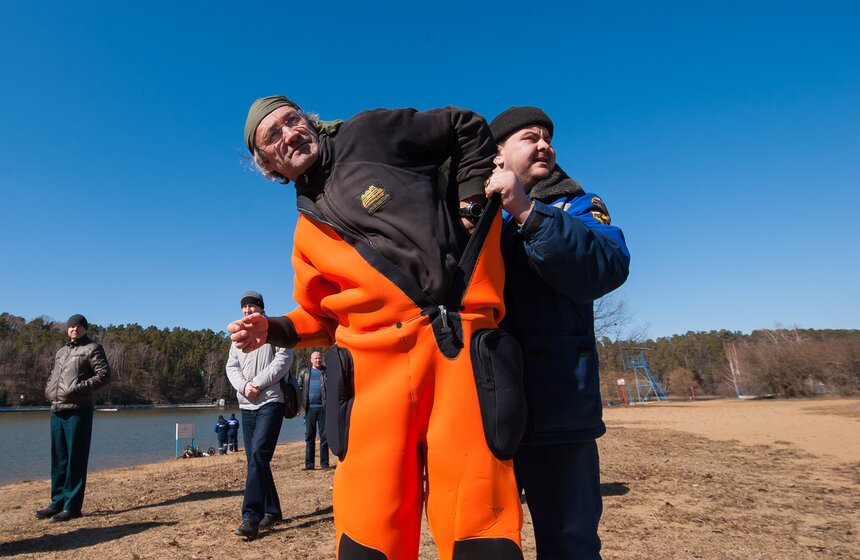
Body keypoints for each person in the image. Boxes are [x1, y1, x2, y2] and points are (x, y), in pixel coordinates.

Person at [229, 95, 525, 560]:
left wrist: (469, 197)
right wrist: (275, 328)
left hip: (458, 350)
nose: (289, 134)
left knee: (478, 517)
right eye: (274, 137)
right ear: (268, 165)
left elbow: (465, 125)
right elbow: (323, 318)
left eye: (291, 120)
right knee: (370, 526)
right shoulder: (307, 236)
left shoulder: (369, 133)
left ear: (308, 120)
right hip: (376, 379)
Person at [485, 107, 631, 559]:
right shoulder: (475, 214)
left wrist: (528, 213)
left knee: (571, 545)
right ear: (498, 155)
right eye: (531, 137)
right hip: (487, 409)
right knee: (484, 541)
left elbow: (606, 267)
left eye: (547, 137)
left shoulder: (578, 204)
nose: (545, 144)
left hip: (560, 411)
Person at [225, 290, 293, 540]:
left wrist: (257, 383)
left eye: (251, 309)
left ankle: (251, 516)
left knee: (258, 455)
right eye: (244, 310)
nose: (247, 313)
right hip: (247, 404)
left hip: (270, 402)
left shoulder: (273, 330)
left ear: (261, 310)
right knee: (256, 460)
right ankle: (272, 511)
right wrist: (244, 387)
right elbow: (231, 366)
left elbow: (284, 359)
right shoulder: (237, 337)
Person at [34, 314, 111, 522]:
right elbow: (54, 375)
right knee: (59, 459)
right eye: (71, 326)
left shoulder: (92, 348)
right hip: (57, 409)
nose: (74, 329)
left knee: (75, 458)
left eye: (78, 326)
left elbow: (104, 375)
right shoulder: (61, 352)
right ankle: (56, 502)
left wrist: (78, 389)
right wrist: (50, 389)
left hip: (79, 409)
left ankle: (72, 506)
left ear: (85, 329)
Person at [297, 351, 329, 470]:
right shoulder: (304, 373)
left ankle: (324, 464)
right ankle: (309, 465)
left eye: (319, 358)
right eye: (315, 358)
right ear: (311, 360)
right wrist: (297, 407)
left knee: (324, 437)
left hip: (323, 409)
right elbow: (298, 391)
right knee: (309, 437)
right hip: (309, 409)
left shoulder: (327, 372)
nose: (318, 360)